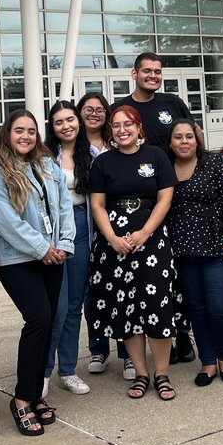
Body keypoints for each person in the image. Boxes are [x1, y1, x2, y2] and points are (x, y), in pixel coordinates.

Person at [0, 110, 75, 436]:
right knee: (37, 318)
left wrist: (64, 243)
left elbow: (64, 206)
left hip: (54, 255)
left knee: (50, 321)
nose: (25, 136)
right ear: (8, 133)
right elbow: (5, 219)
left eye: (31, 131)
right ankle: (22, 399)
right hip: (17, 259)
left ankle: (36, 394)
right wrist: (41, 248)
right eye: (19, 130)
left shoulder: (48, 165)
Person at [87, 105, 179, 401]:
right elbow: (97, 205)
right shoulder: (102, 163)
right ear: (110, 131)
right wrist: (112, 237)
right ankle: (141, 373)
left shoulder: (156, 156)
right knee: (128, 309)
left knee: (157, 305)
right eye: (116, 125)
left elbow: (166, 197)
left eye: (128, 124)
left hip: (151, 242)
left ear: (139, 128)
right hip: (115, 246)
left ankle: (161, 373)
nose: (122, 129)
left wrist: (145, 232)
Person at [112, 53, 197, 364]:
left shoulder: (172, 103)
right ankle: (132, 351)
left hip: (174, 198)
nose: (152, 75)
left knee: (175, 273)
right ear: (134, 73)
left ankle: (180, 334)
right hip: (137, 207)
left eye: (157, 71)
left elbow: (193, 135)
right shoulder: (122, 109)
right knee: (136, 279)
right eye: (146, 70)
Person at [166, 118, 223, 386]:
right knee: (196, 309)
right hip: (183, 253)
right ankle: (208, 362)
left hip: (217, 249)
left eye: (189, 136)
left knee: (221, 309)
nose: (184, 141)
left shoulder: (215, 163)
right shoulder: (166, 168)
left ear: (197, 140)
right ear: (170, 142)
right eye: (178, 137)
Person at [77, 91, 132, 379]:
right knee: (93, 291)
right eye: (89, 108)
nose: (94, 114)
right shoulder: (73, 145)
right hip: (87, 228)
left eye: (100, 109)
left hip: (120, 227)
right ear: (80, 112)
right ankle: (98, 347)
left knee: (123, 289)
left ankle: (128, 353)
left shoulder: (118, 142)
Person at [43, 101, 93, 395]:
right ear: (52, 127)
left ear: (79, 121)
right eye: (59, 121)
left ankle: (68, 370)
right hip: (51, 231)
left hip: (82, 229)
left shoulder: (94, 155)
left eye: (70, 119)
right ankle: (44, 371)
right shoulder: (43, 156)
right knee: (55, 307)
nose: (66, 126)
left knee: (74, 305)